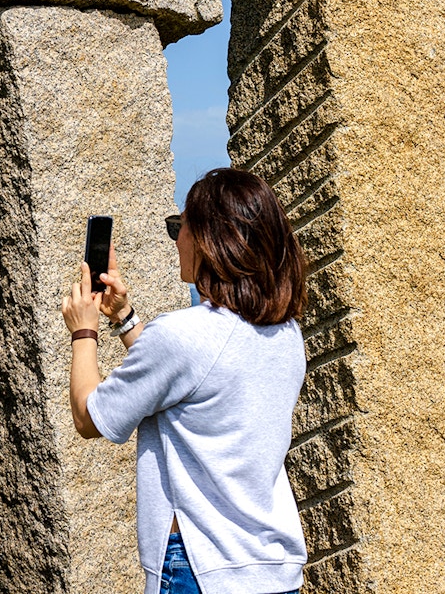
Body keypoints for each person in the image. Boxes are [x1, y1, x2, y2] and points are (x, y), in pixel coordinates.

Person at [61, 168, 308, 594]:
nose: (176, 240)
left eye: (180, 226)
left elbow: (89, 417)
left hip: (200, 564)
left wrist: (84, 331)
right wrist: (124, 318)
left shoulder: (185, 335)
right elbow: (192, 384)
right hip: (273, 565)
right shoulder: (286, 335)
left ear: (211, 240)